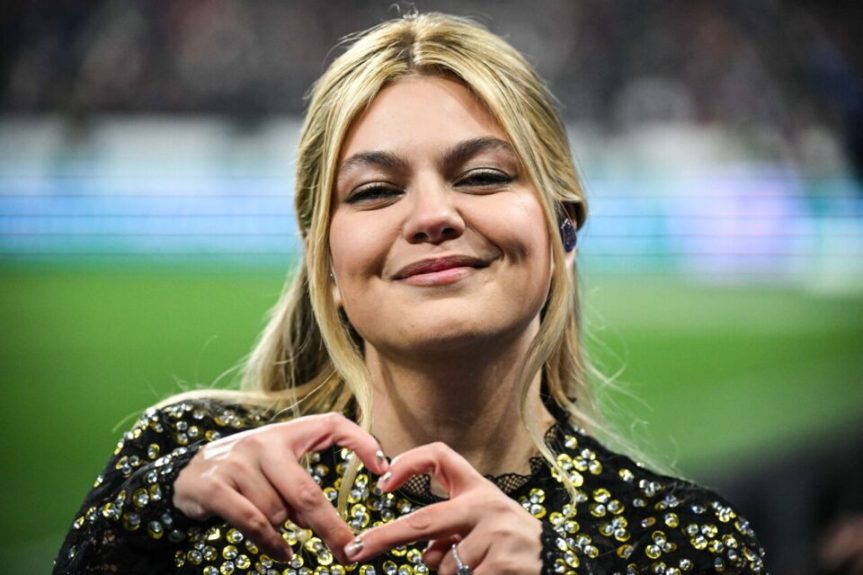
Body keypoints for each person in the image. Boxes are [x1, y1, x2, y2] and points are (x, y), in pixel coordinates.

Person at [54, 12, 767, 575]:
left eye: (482, 176)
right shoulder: (189, 472)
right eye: (374, 190)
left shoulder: (687, 544)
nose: (431, 216)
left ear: (563, 230)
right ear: (325, 264)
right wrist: (152, 510)